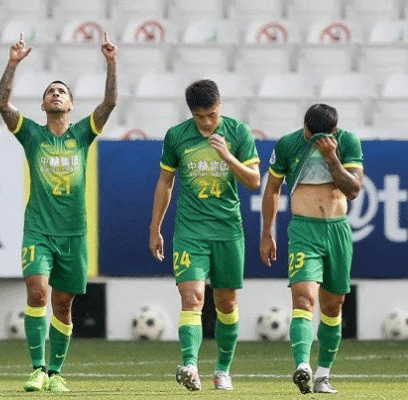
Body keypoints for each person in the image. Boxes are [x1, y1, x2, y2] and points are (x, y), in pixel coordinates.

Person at [0, 32, 117, 393]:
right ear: (43, 104)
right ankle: (37, 368)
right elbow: (2, 103)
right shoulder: (32, 135)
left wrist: (111, 62)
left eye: (62, 91)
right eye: (50, 91)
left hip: (74, 233)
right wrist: (12, 63)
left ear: (71, 104)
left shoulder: (82, 134)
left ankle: (56, 373)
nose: (56, 94)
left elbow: (110, 101)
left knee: (63, 305)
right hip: (38, 230)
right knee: (38, 292)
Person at [149, 79, 261, 391]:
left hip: (227, 230)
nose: (207, 122)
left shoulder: (238, 133)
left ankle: (223, 370)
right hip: (190, 231)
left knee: (227, 302)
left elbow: (254, 181)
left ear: (220, 106)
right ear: (191, 113)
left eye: (212, 115)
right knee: (192, 298)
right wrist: (155, 228)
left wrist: (228, 157)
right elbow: (165, 182)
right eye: (200, 117)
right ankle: (190, 365)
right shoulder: (177, 136)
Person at [260, 103, 364, 394]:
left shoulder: (347, 142)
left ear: (334, 130)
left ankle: (323, 375)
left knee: (333, 305)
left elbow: (353, 190)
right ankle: (303, 365)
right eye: (309, 134)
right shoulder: (288, 144)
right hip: (304, 230)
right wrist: (267, 233)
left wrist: (331, 157)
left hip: (337, 230)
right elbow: (272, 188)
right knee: (304, 299)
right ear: (304, 126)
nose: (313, 139)